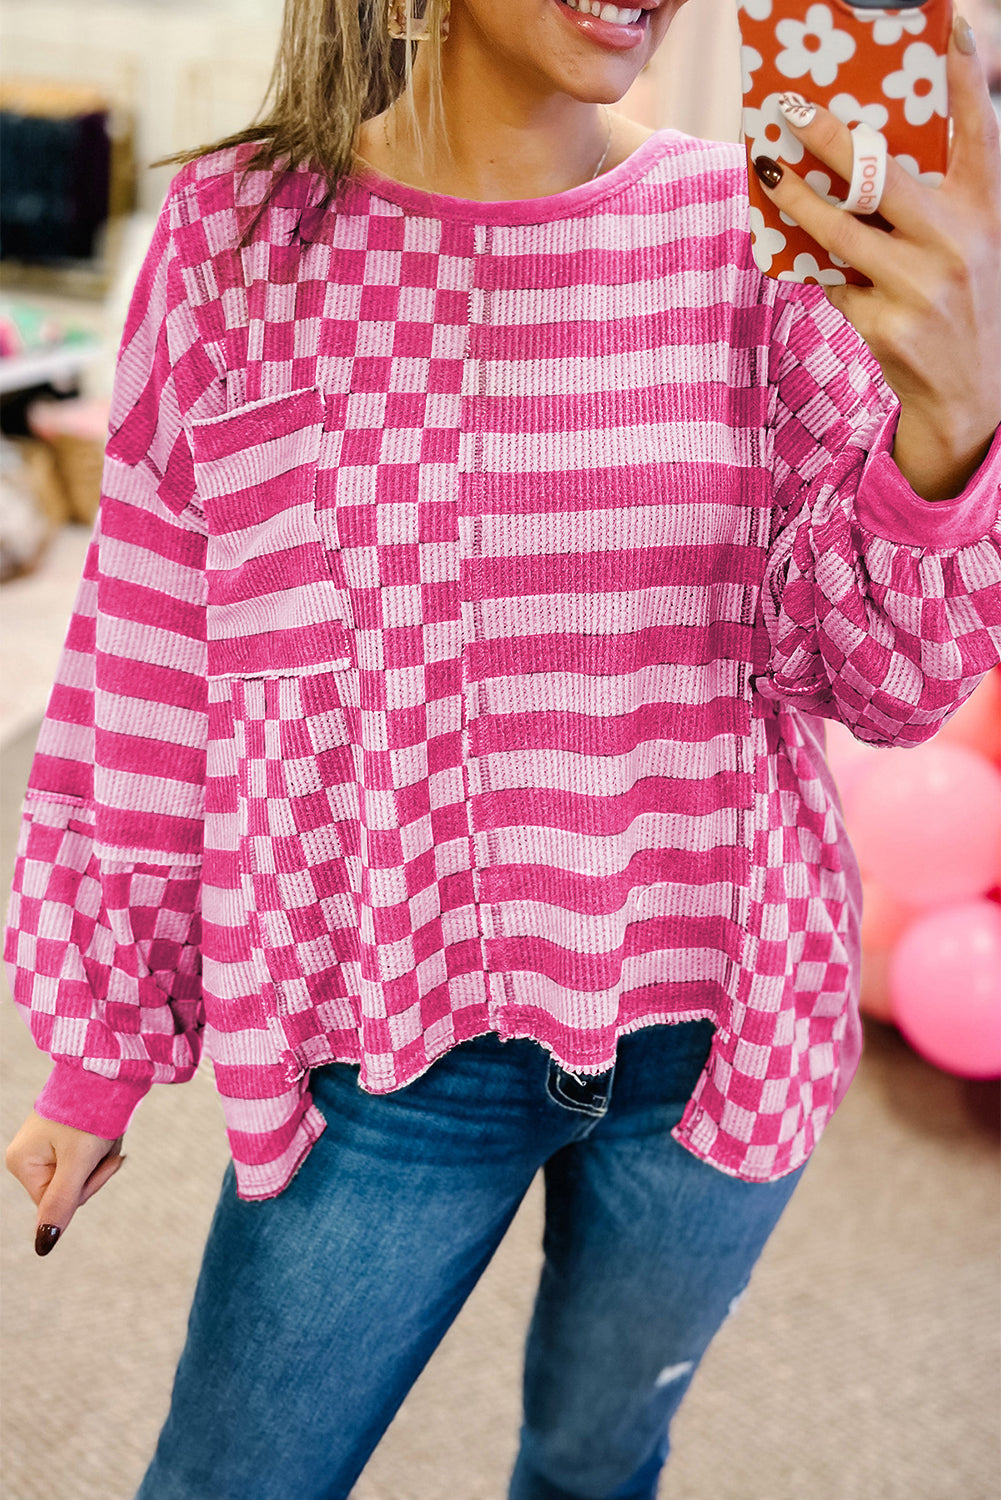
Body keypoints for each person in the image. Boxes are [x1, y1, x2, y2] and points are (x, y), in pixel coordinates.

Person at [5, 0, 1000, 1495]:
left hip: (721, 1027)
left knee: (595, 1468)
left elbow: (884, 688)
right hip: (389, 1034)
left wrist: (957, 431)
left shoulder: (755, 242)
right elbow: (146, 664)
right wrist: (99, 1052)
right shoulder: (239, 239)